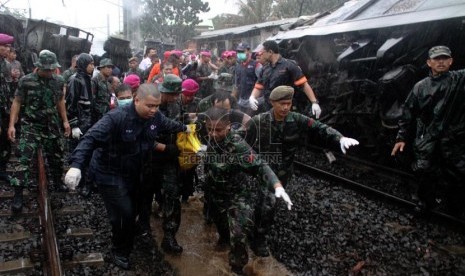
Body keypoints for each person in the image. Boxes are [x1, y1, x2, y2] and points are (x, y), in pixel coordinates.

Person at [64, 83, 188, 270]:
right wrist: (76, 166)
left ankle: (127, 232)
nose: (153, 110)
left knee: (135, 208)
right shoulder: (116, 118)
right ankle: (119, 251)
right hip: (110, 172)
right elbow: (90, 138)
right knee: (124, 214)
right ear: (136, 100)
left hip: (133, 171)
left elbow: (171, 125)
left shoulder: (156, 118)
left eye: (156, 106)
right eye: (149, 106)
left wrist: (189, 129)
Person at [243, 85, 359, 256]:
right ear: (272, 103)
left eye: (288, 104)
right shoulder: (259, 121)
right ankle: (258, 239)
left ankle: (257, 227)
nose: (285, 108)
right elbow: (240, 138)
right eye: (281, 104)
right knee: (267, 203)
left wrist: (340, 137)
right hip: (265, 172)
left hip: (284, 173)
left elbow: (320, 128)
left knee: (269, 205)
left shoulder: (296, 119)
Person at [202, 107, 292, 274]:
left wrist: (277, 185)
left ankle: (236, 268)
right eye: (209, 129)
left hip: (237, 195)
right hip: (216, 193)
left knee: (238, 235)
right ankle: (223, 242)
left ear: (229, 126)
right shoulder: (211, 137)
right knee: (222, 230)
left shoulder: (237, 145)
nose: (213, 134)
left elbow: (260, 165)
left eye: (218, 130)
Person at [391, 45, 465, 214]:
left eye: (444, 58)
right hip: (427, 137)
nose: (441, 62)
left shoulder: (459, 79)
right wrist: (401, 138)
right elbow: (407, 113)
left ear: (451, 61)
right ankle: (425, 203)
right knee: (424, 171)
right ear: (429, 63)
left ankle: (455, 207)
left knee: (457, 172)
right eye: (437, 59)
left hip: (453, 138)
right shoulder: (420, 87)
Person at [8, 50, 71, 213]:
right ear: (39, 67)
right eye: (47, 69)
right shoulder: (26, 81)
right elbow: (17, 102)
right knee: (23, 159)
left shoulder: (59, 81)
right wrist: (11, 125)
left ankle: (58, 182)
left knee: (57, 155)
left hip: (51, 125)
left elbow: (60, 101)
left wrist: (65, 121)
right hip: (31, 126)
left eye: (52, 69)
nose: (50, 72)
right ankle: (18, 194)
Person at [140, 74, 186, 253]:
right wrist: (164, 148)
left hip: (170, 160)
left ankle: (169, 236)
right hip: (150, 158)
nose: (175, 98)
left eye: (177, 95)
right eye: (172, 95)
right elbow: (141, 136)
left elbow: (179, 124)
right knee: (145, 195)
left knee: (172, 195)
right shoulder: (150, 107)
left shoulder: (177, 104)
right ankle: (143, 230)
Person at [248, 40, 322, 118]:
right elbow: (259, 86)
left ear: (270, 52)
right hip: (269, 109)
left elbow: (303, 85)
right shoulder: (265, 68)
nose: (260, 55)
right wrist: (252, 97)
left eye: (262, 53)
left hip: (285, 109)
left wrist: (314, 102)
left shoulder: (289, 65)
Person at [66, 53, 95, 196]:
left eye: (93, 64)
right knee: (79, 152)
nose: (92, 66)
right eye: (90, 64)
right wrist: (74, 125)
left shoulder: (88, 79)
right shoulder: (75, 80)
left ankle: (86, 182)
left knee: (89, 152)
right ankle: (78, 182)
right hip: (81, 123)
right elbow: (70, 103)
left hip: (89, 122)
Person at [0, 33, 14, 181]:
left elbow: (7, 87)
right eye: (4, 46)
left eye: (8, 46)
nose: (7, 49)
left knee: (5, 141)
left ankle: (2, 169)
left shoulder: (6, 64)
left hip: (5, 109)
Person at [234, 42, 262, 116]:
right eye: (238, 52)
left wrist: (255, 98)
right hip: (241, 101)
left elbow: (262, 83)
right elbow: (236, 85)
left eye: (242, 51)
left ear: (248, 51)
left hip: (253, 101)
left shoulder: (256, 65)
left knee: (249, 122)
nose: (240, 53)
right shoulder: (238, 67)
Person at [92, 58, 114, 123]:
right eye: (108, 67)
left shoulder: (108, 83)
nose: (110, 70)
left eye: (111, 68)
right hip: (96, 116)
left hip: (106, 115)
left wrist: (112, 105)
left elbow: (111, 97)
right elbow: (92, 100)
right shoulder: (94, 81)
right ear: (101, 68)